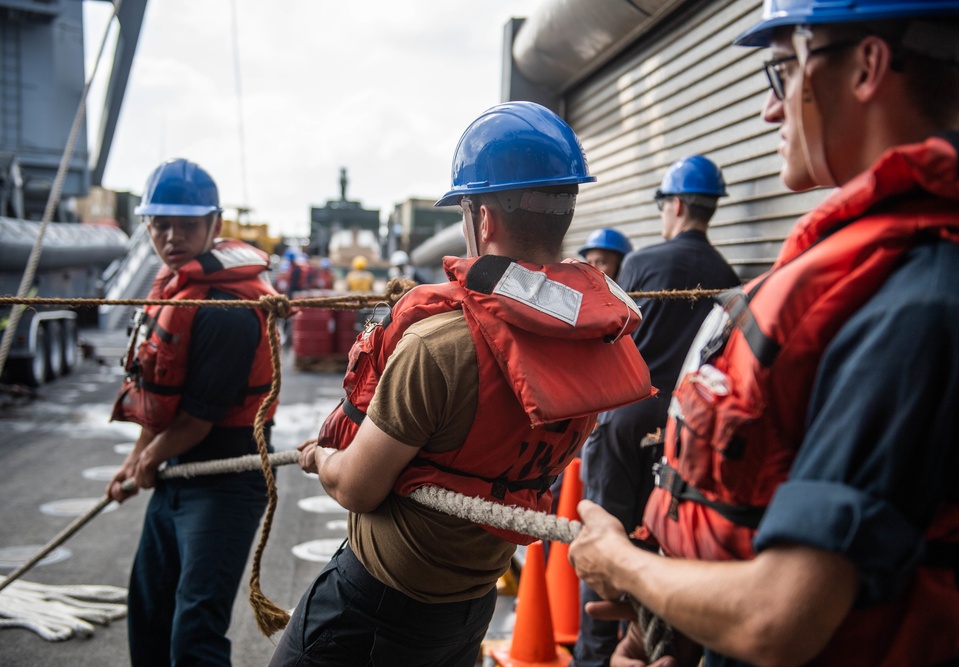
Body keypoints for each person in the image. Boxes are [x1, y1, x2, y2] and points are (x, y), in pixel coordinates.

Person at [569, 2, 959, 666]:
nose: (770, 112)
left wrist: (623, 566)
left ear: (866, 67)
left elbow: (781, 616)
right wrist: (677, 618)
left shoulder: (922, 304)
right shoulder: (878, 269)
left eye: (781, 72)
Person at [268, 101, 655, 667]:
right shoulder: (594, 344)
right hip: (468, 607)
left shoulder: (438, 346)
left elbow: (356, 487)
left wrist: (322, 457)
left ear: (483, 219)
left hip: (374, 609)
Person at [106, 158, 279, 667]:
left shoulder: (226, 309)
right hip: (176, 470)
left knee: (194, 634)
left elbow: (197, 418)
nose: (172, 236)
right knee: (149, 611)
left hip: (224, 482)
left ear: (215, 225)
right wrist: (136, 458)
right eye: (161, 224)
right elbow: (163, 403)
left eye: (186, 224)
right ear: (147, 226)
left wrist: (147, 462)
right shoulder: (176, 289)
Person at [573, 155, 740, 667]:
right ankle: (652, 643)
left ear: (677, 204)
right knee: (659, 543)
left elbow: (610, 344)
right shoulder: (729, 276)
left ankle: (596, 656)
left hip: (626, 421)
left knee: (605, 539)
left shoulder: (644, 265)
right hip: (681, 433)